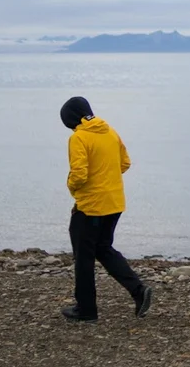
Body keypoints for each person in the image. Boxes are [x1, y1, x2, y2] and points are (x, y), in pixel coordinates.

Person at [59, 96, 153, 323]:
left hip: (90, 207)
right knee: (103, 248)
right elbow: (124, 163)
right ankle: (138, 290)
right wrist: (105, 176)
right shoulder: (110, 132)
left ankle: (86, 310)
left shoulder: (79, 138)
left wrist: (71, 185)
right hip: (114, 203)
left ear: (72, 119)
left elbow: (79, 174)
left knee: (84, 259)